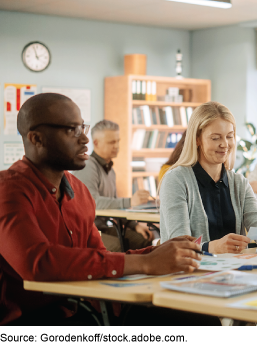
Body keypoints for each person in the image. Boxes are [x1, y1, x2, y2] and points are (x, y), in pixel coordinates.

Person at [0, 93, 206, 325]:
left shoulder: (79, 191)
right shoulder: (8, 190)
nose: (85, 139)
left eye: (82, 128)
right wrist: (146, 263)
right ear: (36, 138)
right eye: (72, 130)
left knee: (197, 317)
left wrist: (155, 253)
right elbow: (36, 262)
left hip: (87, 309)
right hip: (31, 321)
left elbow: (102, 258)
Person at [159, 101, 257, 254]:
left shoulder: (239, 183)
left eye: (229, 137)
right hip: (190, 272)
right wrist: (212, 248)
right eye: (215, 138)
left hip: (234, 271)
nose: (224, 144)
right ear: (197, 139)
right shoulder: (175, 180)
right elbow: (177, 243)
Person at [72, 120, 153, 251]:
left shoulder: (110, 170)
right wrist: (130, 201)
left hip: (102, 228)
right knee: (116, 247)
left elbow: (114, 206)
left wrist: (134, 226)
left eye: (117, 141)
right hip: (84, 231)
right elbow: (93, 202)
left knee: (144, 241)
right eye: (111, 142)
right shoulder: (88, 166)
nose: (117, 146)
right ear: (96, 143)